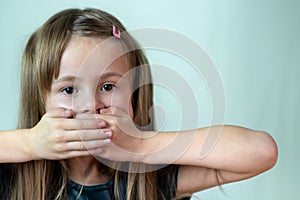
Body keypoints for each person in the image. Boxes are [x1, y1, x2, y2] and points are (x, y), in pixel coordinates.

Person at [0, 8, 278, 200]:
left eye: (108, 87)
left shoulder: (151, 179)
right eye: (69, 89)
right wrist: (29, 143)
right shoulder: (14, 176)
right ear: (41, 100)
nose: (90, 105)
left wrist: (139, 146)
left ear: (133, 96)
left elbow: (260, 151)